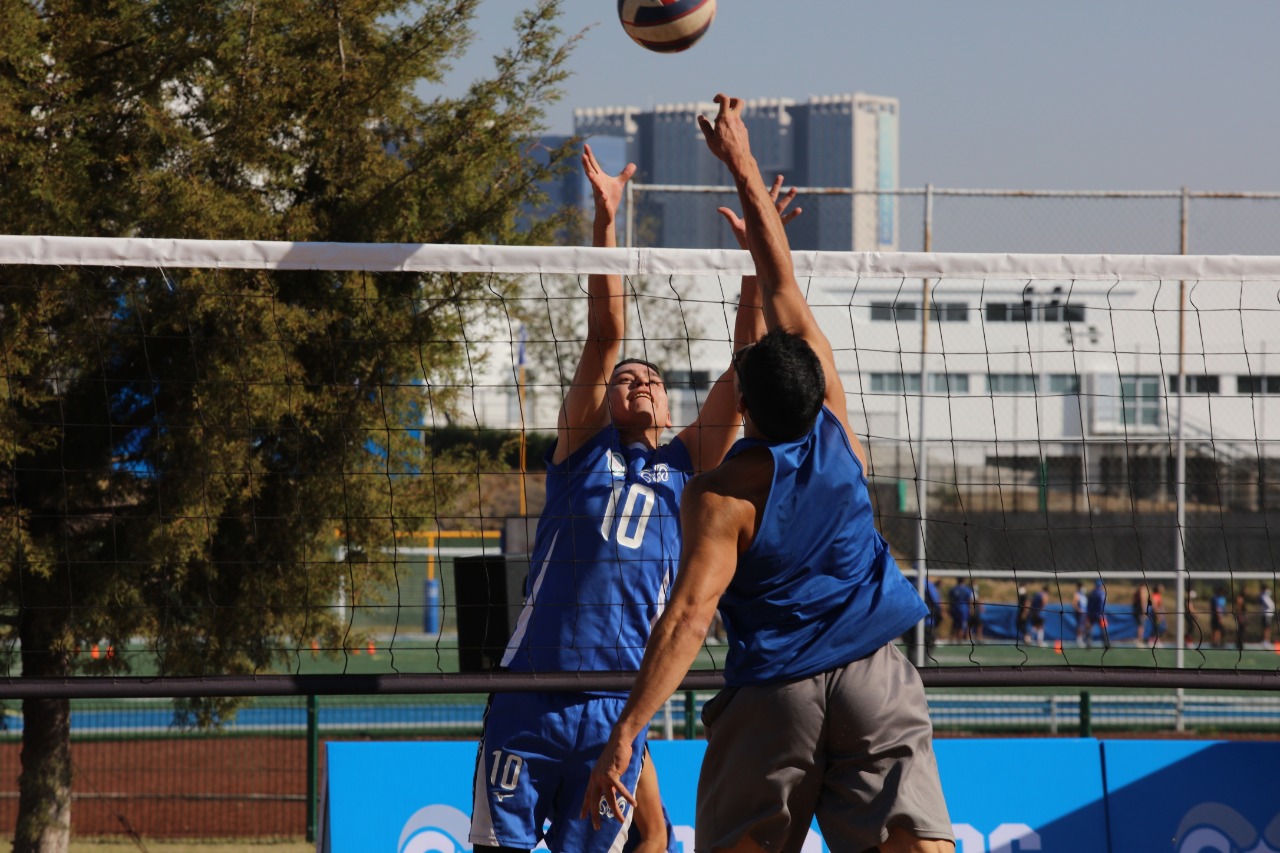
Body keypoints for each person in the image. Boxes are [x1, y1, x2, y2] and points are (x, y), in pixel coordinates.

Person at [583, 93, 953, 853]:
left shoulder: (719, 495)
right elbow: (783, 280)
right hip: (873, 673)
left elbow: (688, 619)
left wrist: (627, 731)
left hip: (776, 692)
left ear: (741, 402)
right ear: (816, 384)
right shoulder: (837, 429)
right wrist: (744, 163)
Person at [469, 144, 796, 853]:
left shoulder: (690, 463)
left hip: (618, 705)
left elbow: (746, 372)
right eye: (625, 379)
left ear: (671, 401)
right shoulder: (581, 448)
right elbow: (606, 334)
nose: (636, 380)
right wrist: (606, 224)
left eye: (649, 377)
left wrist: (752, 271)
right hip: (530, 692)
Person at [948, 577, 974, 643]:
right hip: (963, 608)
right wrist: (971, 609)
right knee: (962, 624)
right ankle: (959, 640)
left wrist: (950, 608)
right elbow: (970, 600)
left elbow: (950, 599)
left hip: (955, 607)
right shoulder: (967, 589)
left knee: (954, 623)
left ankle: (952, 638)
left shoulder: (953, 589)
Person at [1086, 578, 1109, 649]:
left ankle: (1089, 644)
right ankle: (1106, 644)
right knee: (1103, 630)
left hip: (1092, 614)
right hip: (1100, 614)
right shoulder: (1102, 593)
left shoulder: (1091, 593)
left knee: (1090, 629)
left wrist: (1089, 613)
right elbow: (1102, 605)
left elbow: (1088, 605)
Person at [1147, 582, 1166, 648]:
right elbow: (1155, 606)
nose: (1163, 589)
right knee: (1156, 627)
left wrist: (1162, 613)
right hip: (1155, 613)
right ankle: (1151, 641)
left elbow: (1160, 605)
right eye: (1161, 587)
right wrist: (1158, 615)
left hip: (1158, 613)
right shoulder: (1155, 595)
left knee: (1159, 627)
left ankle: (1157, 641)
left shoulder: (1159, 595)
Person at [1131, 582, 1150, 646]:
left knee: (1140, 625)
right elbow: (1143, 601)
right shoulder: (1142, 591)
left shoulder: (1137, 592)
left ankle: (1138, 640)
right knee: (1141, 626)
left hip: (1137, 610)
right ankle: (1139, 640)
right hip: (1140, 610)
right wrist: (1144, 611)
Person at [1073, 581, 1089, 647]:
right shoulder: (1077, 594)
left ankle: (1082, 639)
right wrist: (1079, 610)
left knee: (1084, 627)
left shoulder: (1083, 595)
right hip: (1080, 614)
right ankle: (1079, 641)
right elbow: (1074, 604)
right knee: (1080, 627)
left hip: (1085, 613)